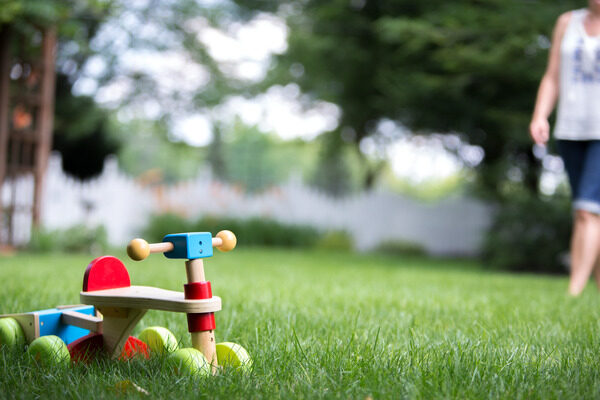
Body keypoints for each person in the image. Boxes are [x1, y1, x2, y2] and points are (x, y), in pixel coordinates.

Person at [530, 1, 600, 296]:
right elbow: (552, 75)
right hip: (571, 128)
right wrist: (540, 115)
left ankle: (574, 292)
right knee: (589, 212)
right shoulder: (567, 22)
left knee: (587, 210)